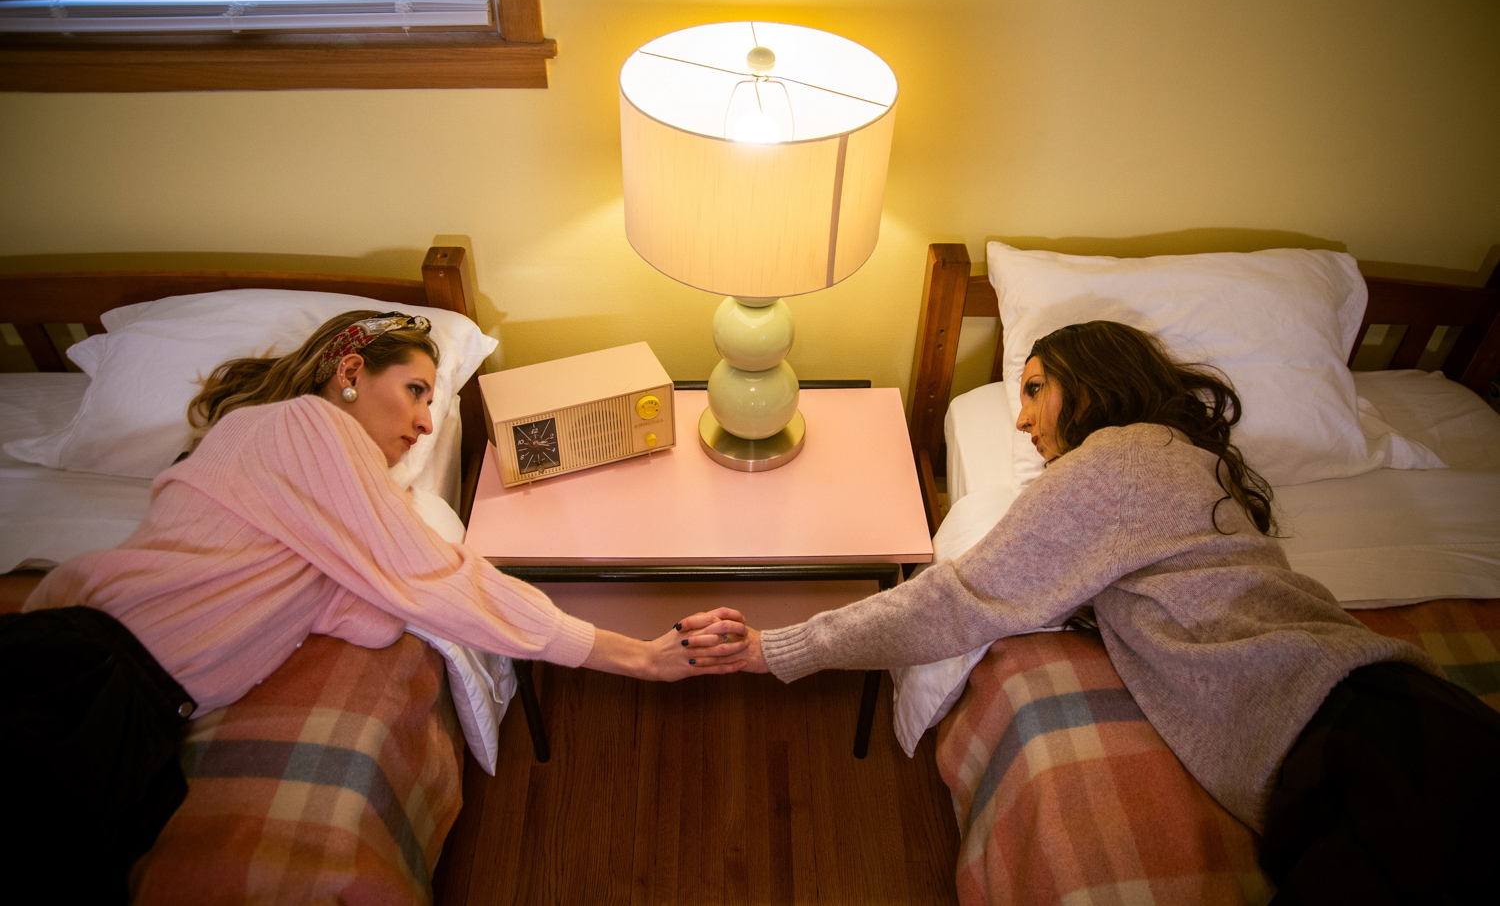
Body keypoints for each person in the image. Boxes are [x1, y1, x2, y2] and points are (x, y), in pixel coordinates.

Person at [732, 320, 1500, 903]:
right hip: (1381, 710)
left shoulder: (1117, 460)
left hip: (1348, 727)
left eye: (1035, 389)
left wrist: (784, 647)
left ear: (1091, 384)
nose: (1022, 421)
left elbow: (960, 600)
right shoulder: (1180, 463)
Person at [5, 309, 746, 901]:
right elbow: (430, 578)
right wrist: (635, 657)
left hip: (139, 707)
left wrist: (382, 573)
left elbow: (371, 612)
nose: (427, 422)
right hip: (85, 678)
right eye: (417, 391)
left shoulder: (309, 492)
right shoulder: (305, 425)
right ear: (351, 373)